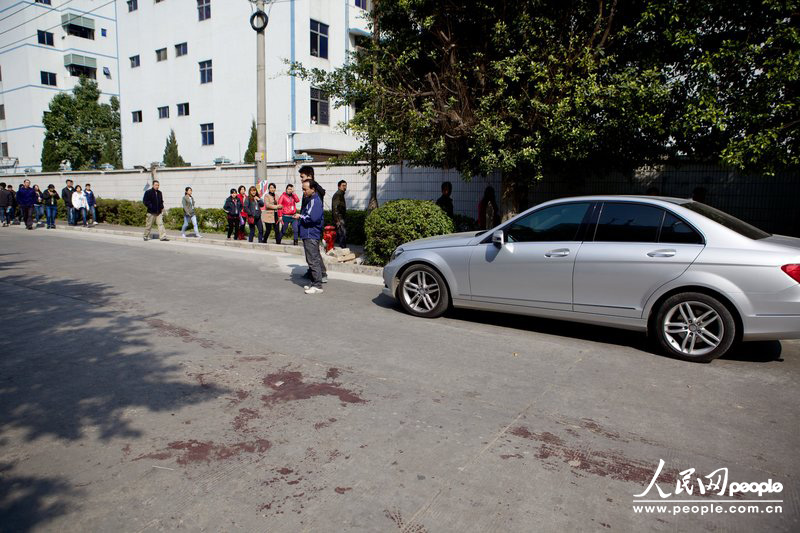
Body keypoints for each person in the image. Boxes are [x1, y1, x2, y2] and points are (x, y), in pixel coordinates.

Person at [294, 180, 325, 294]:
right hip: (309, 234)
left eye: (305, 189)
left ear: (313, 189)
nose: (304, 191)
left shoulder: (315, 201)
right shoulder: (311, 200)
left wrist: (299, 216)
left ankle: (317, 285)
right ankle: (314, 282)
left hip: (311, 234)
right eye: (303, 189)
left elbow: (312, 218)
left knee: (313, 260)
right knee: (311, 259)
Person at [299, 166, 327, 281]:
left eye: (302, 177)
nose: (301, 179)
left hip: (312, 229)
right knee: (313, 253)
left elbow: (313, 215)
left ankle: (318, 278)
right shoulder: (310, 190)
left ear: (309, 176)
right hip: (308, 228)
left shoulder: (314, 193)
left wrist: (302, 217)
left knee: (313, 254)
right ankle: (315, 274)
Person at [331, 179, 348, 248]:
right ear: (339, 186)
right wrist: (337, 220)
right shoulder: (338, 194)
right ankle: (342, 249)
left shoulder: (341, 194)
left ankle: (342, 248)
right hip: (339, 217)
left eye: (345, 185)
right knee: (342, 234)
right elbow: (335, 208)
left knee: (342, 234)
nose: (345, 187)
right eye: (343, 185)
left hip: (341, 217)